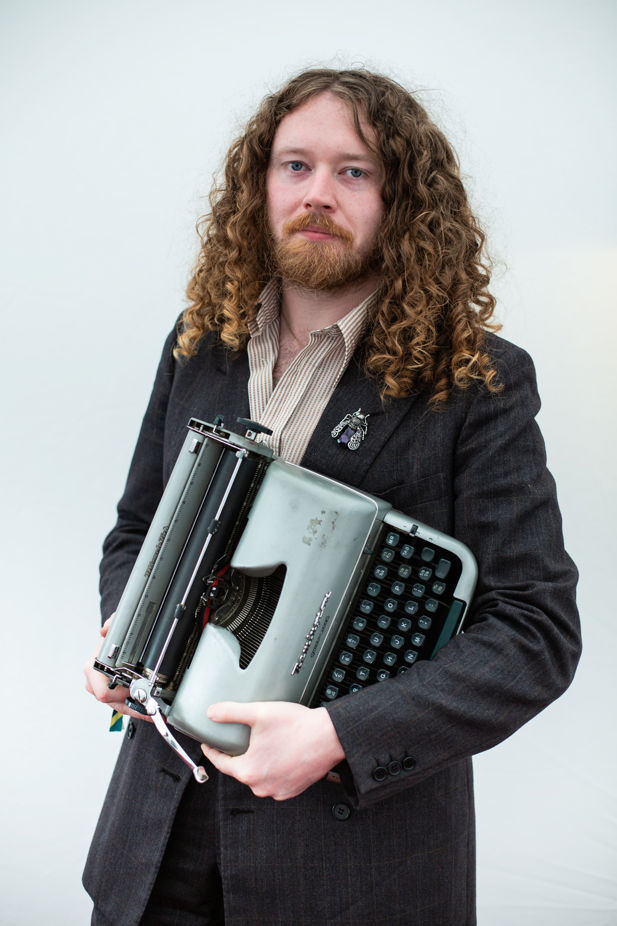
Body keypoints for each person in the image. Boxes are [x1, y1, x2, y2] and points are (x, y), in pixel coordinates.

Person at [83, 68, 581, 925]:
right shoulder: (201, 343)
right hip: (153, 841)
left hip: (350, 870)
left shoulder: (478, 380)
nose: (319, 193)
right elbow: (137, 528)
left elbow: (533, 631)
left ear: (403, 201)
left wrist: (339, 735)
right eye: (296, 166)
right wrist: (130, 635)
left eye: (354, 171)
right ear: (260, 185)